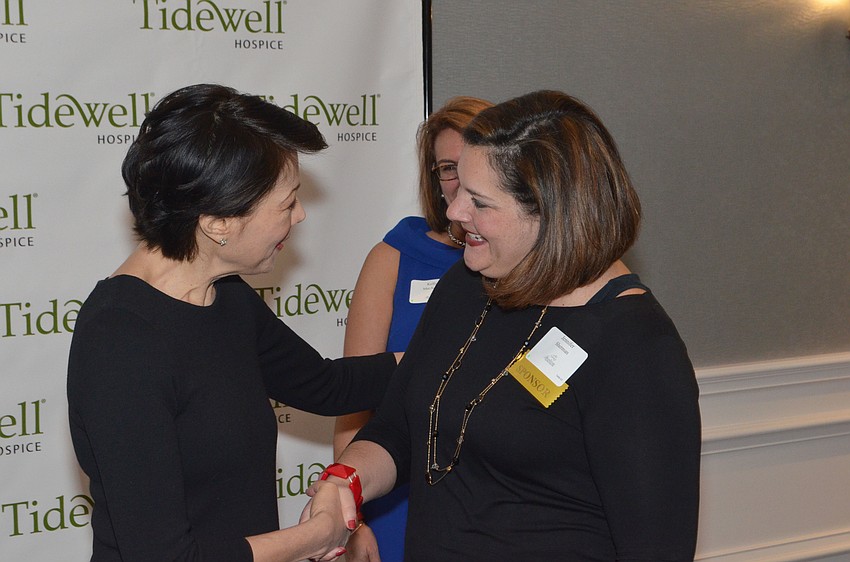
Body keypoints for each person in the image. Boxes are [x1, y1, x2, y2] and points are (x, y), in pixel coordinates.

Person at [311, 90, 702, 561]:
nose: (455, 213)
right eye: (457, 189)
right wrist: (346, 482)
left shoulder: (633, 343)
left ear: (551, 211)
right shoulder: (466, 283)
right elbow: (399, 428)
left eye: (480, 202)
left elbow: (656, 548)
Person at [66, 84, 399, 562]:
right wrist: (320, 534)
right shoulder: (121, 341)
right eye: (287, 204)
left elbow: (327, 387)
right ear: (218, 221)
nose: (300, 216)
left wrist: (450, 357)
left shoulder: (227, 299)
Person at [333, 96, 493, 561]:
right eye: (447, 167)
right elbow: (354, 403)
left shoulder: (530, 266)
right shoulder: (393, 257)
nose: (460, 181)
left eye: (472, 164)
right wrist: (352, 518)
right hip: (397, 493)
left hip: (494, 501)